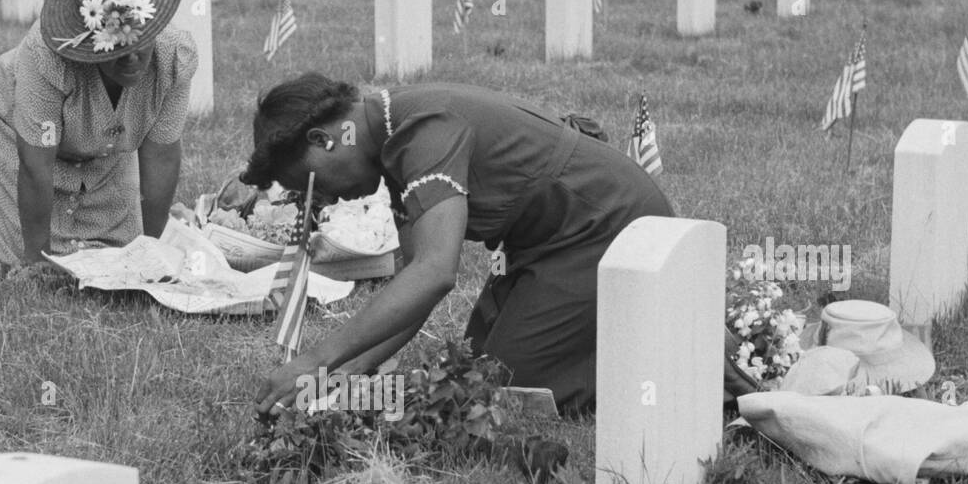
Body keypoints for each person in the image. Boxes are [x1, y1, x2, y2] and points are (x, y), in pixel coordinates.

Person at [245, 74, 737, 417]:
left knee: (511, 390)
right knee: (479, 369)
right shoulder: (392, 139)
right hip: (551, 245)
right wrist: (353, 369)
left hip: (607, 228)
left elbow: (436, 272)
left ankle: (695, 371)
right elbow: (416, 286)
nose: (326, 199)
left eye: (313, 183)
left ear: (323, 139)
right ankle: (652, 337)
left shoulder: (421, 129)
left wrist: (314, 361)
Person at [0, 0, 197, 278]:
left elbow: (161, 155)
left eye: (140, 45)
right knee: (37, 257)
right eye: (116, 51)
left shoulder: (174, 59)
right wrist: (36, 262)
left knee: (114, 252)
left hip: (102, 142)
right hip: (13, 123)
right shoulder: (48, 58)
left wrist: (152, 250)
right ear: (88, 45)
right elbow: (36, 165)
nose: (132, 59)